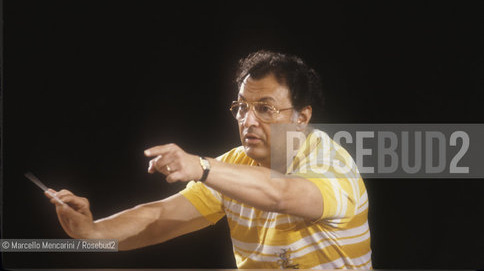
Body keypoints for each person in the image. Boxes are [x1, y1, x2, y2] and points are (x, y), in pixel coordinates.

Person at [45, 50, 372, 269]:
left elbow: (282, 194)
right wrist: (92, 233)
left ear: (302, 117)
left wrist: (202, 167)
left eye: (265, 108)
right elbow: (161, 218)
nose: (248, 120)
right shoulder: (235, 165)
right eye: (242, 107)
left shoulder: (331, 164)